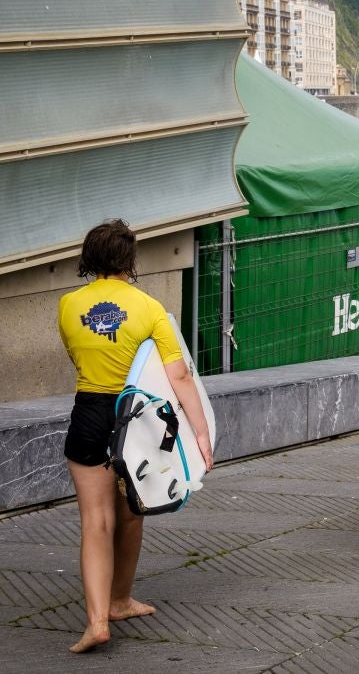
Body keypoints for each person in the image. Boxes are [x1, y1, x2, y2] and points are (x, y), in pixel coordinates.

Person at [57, 220, 214, 654]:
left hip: (90, 412)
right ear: (130, 259)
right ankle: (120, 599)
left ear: (89, 259)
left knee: (96, 522)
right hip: (136, 417)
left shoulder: (68, 305)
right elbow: (178, 375)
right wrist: (201, 435)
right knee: (132, 512)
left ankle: (97, 620)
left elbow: (76, 355)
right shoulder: (149, 308)